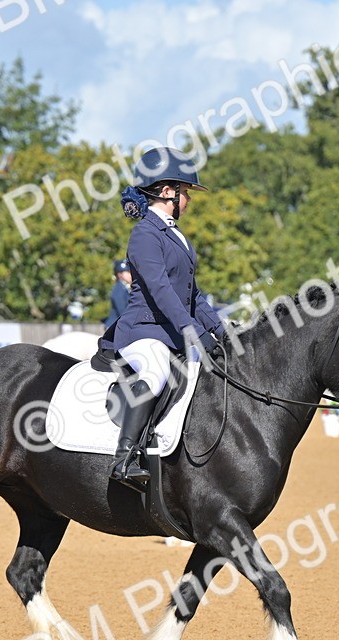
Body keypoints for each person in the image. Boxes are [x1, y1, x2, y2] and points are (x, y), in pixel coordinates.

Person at [104, 147, 225, 487]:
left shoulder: (177, 236)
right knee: (156, 372)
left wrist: (221, 330)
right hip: (142, 332)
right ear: (168, 192)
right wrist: (193, 332)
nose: (189, 199)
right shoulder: (144, 234)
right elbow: (160, 290)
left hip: (171, 333)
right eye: (186, 192)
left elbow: (193, 295)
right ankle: (124, 458)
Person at [103, 259, 133, 328]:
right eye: (128, 272)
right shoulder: (119, 289)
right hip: (115, 327)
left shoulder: (126, 287)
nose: (130, 275)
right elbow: (122, 311)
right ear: (120, 274)